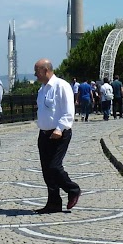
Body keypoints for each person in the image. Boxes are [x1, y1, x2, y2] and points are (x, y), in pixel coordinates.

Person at [32, 59, 80, 214]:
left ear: (46, 70)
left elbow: (68, 111)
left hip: (59, 133)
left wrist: (59, 128)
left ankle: (73, 189)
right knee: (46, 170)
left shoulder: (61, 86)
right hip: (44, 133)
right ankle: (53, 202)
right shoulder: (42, 89)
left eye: (37, 71)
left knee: (54, 166)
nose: (35, 75)